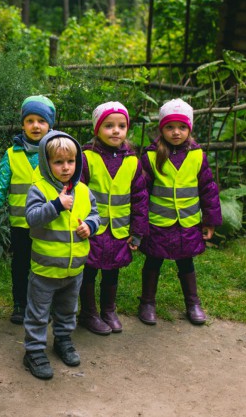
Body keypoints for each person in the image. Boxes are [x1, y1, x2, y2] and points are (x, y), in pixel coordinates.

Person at [23, 130, 100, 379]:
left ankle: (63, 340)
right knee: (38, 312)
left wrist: (90, 226)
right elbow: (32, 219)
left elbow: (95, 215)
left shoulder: (85, 191)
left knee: (68, 309)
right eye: (58, 162)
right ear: (47, 163)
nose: (66, 168)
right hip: (45, 269)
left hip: (75, 269)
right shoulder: (39, 190)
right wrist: (56, 205)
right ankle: (33, 351)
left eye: (71, 161)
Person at [138, 98, 222, 326]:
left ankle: (193, 303)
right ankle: (147, 302)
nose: (176, 132)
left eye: (182, 127)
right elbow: (141, 192)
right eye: (170, 127)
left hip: (187, 223)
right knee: (153, 261)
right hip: (158, 223)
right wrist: (139, 223)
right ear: (161, 128)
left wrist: (210, 221)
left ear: (189, 129)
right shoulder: (151, 156)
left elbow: (208, 189)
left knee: (186, 262)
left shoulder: (197, 156)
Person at [0, 95, 56, 324]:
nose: (36, 126)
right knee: (21, 265)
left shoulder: (57, 152)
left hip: (50, 223)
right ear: (23, 124)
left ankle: (47, 304)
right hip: (21, 225)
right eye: (30, 120)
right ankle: (20, 304)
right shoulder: (12, 154)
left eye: (41, 121)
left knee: (48, 265)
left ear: (50, 125)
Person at [79, 102, 148, 335]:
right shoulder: (86, 158)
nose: (116, 131)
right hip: (92, 229)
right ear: (97, 129)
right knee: (88, 270)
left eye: (121, 126)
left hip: (119, 230)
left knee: (112, 270)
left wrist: (137, 232)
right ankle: (88, 313)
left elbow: (140, 198)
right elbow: (77, 193)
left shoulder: (132, 162)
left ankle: (108, 309)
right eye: (108, 126)